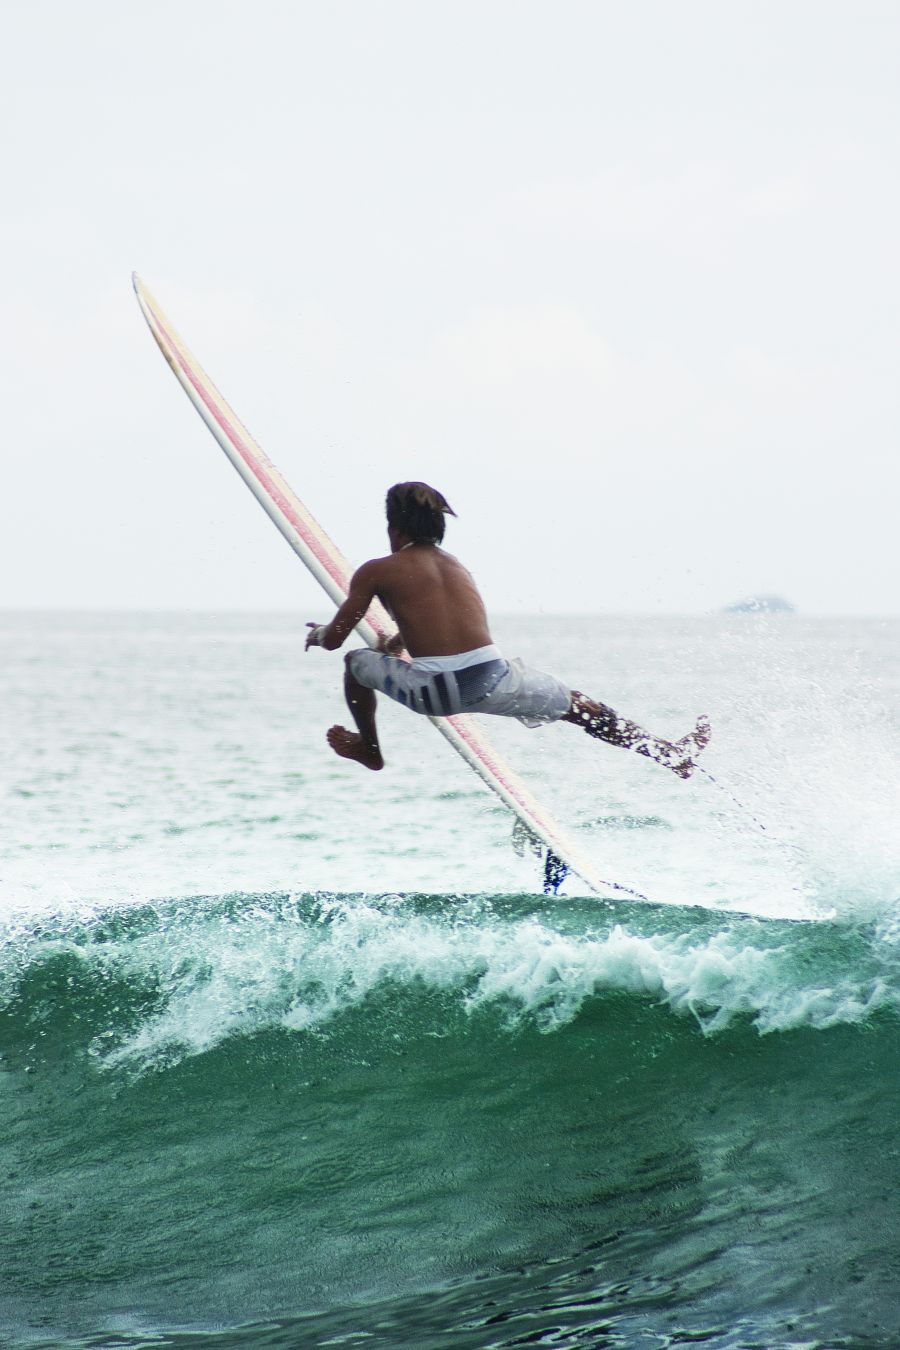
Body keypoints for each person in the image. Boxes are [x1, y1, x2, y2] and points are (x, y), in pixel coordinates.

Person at [305, 482, 710, 775]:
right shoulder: (455, 567)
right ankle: (669, 755)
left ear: (395, 528)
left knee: (355, 661)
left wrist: (320, 633)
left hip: (436, 691)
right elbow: (439, 627)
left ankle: (370, 749)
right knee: (583, 708)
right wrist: (396, 644)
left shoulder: (378, 570)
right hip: (491, 678)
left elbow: (335, 639)